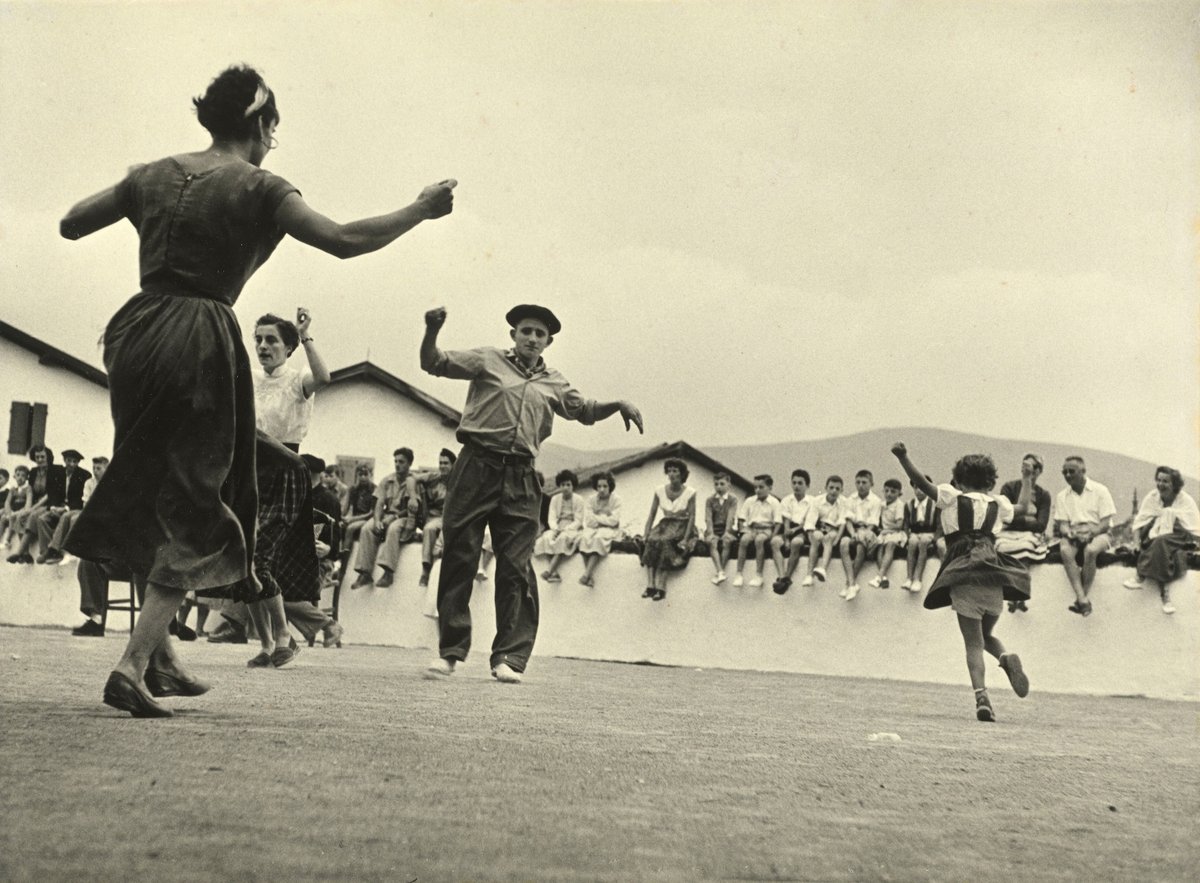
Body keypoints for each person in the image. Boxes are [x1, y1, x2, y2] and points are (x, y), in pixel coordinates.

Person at [59, 64, 455, 717]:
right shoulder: (260, 185)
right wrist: (420, 208)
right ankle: (132, 664)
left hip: (135, 331)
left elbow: (73, 223)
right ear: (264, 125)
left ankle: (160, 657)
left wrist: (139, 190)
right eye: (275, 127)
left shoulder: (153, 173)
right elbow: (343, 240)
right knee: (197, 500)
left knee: (146, 484)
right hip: (200, 334)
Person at [419, 303, 643, 682]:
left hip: (522, 477)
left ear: (548, 341)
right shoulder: (487, 360)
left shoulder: (553, 381)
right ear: (514, 335)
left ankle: (509, 657)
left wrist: (617, 404)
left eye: (540, 334)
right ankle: (450, 652)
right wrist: (431, 330)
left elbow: (583, 410)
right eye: (526, 331)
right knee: (461, 556)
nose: (532, 339)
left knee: (516, 567)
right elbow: (435, 362)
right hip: (475, 466)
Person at [891, 442, 1031, 723]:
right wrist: (1028, 478)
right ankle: (1005, 658)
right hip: (993, 573)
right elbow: (1025, 506)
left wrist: (903, 457)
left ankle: (982, 697)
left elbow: (921, 483)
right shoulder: (998, 503)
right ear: (991, 481)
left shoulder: (952, 497)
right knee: (987, 634)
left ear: (960, 479)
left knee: (973, 644)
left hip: (965, 572)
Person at [1124, 466, 1199, 615]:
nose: (1160, 484)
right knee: (1157, 544)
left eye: (1165, 481)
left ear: (1175, 484)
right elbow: (1138, 523)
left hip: (1180, 535)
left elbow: (1195, 526)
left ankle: (1141, 577)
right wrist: (1136, 543)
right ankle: (1166, 598)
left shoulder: (1185, 500)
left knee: (1160, 542)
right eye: (1158, 480)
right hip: (1155, 533)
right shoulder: (1152, 497)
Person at [1051, 456, 1116, 617]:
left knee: (1091, 551)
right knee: (1065, 550)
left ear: (1083, 471)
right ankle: (1083, 599)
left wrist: (1091, 533)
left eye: (1071, 471)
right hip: (1075, 533)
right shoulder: (1062, 496)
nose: (1067, 475)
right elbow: (1063, 524)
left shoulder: (1100, 490)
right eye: (1064, 472)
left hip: (1098, 532)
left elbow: (1106, 523)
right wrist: (1070, 533)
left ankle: (1082, 598)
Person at [352, 448, 421, 589]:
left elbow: (413, 508)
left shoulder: (414, 482)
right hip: (387, 514)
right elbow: (379, 503)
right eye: (395, 461)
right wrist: (377, 520)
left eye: (401, 462)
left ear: (409, 463)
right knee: (367, 528)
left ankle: (388, 573)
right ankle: (365, 573)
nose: (397, 464)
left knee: (393, 529)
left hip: (404, 517)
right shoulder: (387, 480)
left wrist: (394, 517)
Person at [640, 459, 696, 601]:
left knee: (666, 541)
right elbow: (652, 513)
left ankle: (662, 586)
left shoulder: (690, 492)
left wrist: (685, 538)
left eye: (675, 471)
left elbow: (692, 517)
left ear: (682, 473)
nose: (671, 474)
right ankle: (650, 585)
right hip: (665, 524)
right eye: (669, 471)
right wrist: (646, 532)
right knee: (652, 539)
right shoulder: (659, 490)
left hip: (682, 524)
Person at [45, 456, 109, 565]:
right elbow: (86, 502)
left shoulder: (109, 483)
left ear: (106, 469)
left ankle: (70, 552)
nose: (95, 471)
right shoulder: (89, 482)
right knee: (66, 515)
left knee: (75, 518)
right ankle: (54, 549)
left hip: (101, 514)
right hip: (87, 510)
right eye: (94, 468)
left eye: (99, 468)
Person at [839, 469, 883, 600]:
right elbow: (848, 520)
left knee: (861, 546)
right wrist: (853, 534)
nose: (861, 485)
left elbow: (873, 523)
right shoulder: (851, 499)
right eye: (858, 482)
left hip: (868, 531)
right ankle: (852, 584)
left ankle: (849, 584)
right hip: (853, 530)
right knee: (843, 543)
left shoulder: (875, 500)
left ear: (871, 484)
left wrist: (862, 534)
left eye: (864, 482)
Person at [535, 470, 586, 583]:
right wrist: (555, 528)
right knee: (546, 538)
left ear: (573, 485)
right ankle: (555, 574)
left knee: (563, 538)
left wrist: (565, 529)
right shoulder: (555, 499)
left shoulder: (579, 499)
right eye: (563, 485)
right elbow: (551, 518)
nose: (565, 488)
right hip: (557, 527)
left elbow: (578, 520)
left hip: (573, 528)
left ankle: (549, 570)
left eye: (568, 484)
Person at [733, 475, 780, 588]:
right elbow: (741, 518)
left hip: (766, 529)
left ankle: (758, 575)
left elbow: (778, 522)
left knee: (759, 541)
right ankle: (739, 574)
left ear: (769, 488)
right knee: (744, 541)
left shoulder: (774, 502)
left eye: (761, 487)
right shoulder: (750, 501)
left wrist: (773, 535)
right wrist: (742, 530)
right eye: (756, 487)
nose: (757, 490)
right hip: (752, 528)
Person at [771, 469, 813, 594]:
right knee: (775, 542)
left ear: (807, 485)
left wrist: (794, 531)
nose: (796, 486)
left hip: (802, 530)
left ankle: (788, 576)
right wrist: (787, 536)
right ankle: (781, 576)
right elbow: (786, 519)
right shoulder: (786, 500)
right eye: (794, 483)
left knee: (796, 543)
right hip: (788, 529)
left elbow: (807, 521)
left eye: (800, 483)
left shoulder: (812, 501)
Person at [577, 471, 623, 587]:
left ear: (610, 486)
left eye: (605, 486)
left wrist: (597, 517)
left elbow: (614, 521)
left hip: (610, 531)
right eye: (599, 486)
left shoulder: (616, 500)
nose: (602, 489)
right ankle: (590, 577)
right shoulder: (591, 500)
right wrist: (605, 517)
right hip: (594, 529)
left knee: (598, 539)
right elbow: (589, 521)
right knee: (584, 538)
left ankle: (586, 574)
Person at [418, 449, 456, 588]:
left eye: (446, 463)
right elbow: (412, 478)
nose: (442, 466)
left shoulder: (459, 482)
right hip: (435, 518)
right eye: (440, 463)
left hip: (451, 519)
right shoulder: (434, 479)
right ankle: (426, 569)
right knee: (429, 529)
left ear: (453, 465)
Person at [806, 475, 849, 586]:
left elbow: (842, 523)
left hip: (834, 530)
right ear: (826, 488)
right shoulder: (817, 501)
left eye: (837, 489)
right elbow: (810, 521)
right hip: (820, 527)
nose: (834, 491)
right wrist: (812, 537)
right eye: (831, 487)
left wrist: (836, 540)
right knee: (817, 537)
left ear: (841, 490)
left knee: (829, 539)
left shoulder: (844, 502)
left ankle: (823, 569)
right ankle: (809, 575)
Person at [868, 479, 907, 589]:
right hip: (884, 534)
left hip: (896, 533)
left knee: (890, 545)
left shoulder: (899, 505)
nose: (889, 494)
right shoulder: (882, 505)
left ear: (899, 493)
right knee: (879, 547)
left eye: (893, 492)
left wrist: (886, 530)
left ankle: (879, 576)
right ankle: (883, 577)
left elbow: (899, 525)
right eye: (887, 491)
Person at [703, 472, 740, 585]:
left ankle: (720, 572)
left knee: (726, 542)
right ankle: (720, 571)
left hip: (726, 528)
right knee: (712, 542)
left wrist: (727, 532)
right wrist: (711, 533)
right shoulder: (710, 500)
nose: (719, 487)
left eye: (722, 484)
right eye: (716, 484)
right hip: (714, 528)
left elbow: (730, 517)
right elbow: (708, 518)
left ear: (728, 484)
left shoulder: (732, 499)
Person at [902, 479, 937, 594]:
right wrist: (908, 535)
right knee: (912, 543)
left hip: (929, 532)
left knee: (923, 543)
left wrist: (935, 537)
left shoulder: (934, 505)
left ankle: (918, 578)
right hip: (915, 533)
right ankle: (909, 578)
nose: (919, 491)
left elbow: (939, 524)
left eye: (922, 488)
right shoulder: (909, 505)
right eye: (916, 488)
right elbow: (906, 524)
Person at [1, 466, 32, 553]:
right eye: (18, 475)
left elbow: (28, 504)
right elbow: (7, 502)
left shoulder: (28, 489)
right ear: (14, 476)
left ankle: (7, 540)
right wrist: (9, 512)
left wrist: (16, 513)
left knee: (12, 518)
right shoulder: (13, 489)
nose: (20, 478)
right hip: (13, 511)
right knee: (3, 519)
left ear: (27, 478)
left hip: (22, 511)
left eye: (23, 476)